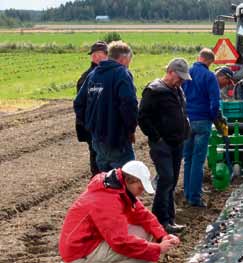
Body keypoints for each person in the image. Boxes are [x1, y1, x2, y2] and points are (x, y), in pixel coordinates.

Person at [59, 161, 180, 263]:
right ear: (130, 180)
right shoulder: (107, 199)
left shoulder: (118, 187)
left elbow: (143, 215)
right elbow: (120, 242)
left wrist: (162, 236)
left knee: (149, 235)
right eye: (140, 188)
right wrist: (157, 249)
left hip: (94, 238)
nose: (141, 192)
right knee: (141, 255)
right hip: (79, 251)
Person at [138, 58, 192, 234]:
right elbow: (143, 118)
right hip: (162, 144)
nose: (181, 81)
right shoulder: (154, 90)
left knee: (172, 180)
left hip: (177, 143)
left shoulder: (177, 90)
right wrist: (157, 137)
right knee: (166, 179)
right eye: (179, 77)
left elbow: (182, 113)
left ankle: (169, 219)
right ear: (170, 72)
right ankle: (159, 220)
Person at [74, 41, 138, 172]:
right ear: (124, 58)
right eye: (129, 60)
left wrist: (90, 125)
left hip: (97, 138)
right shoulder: (122, 74)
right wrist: (130, 129)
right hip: (117, 139)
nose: (129, 64)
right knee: (126, 178)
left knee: (105, 180)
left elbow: (79, 103)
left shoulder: (93, 74)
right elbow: (129, 104)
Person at [182, 48, 221, 207]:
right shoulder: (210, 76)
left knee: (188, 159)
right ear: (210, 62)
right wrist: (212, 118)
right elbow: (215, 102)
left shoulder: (187, 73)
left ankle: (187, 192)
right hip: (202, 120)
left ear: (199, 57)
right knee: (198, 160)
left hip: (186, 120)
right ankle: (195, 197)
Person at [75, 41, 108, 177]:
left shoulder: (102, 74)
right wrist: (89, 124)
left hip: (97, 126)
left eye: (99, 54)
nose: (95, 57)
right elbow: (81, 104)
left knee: (99, 158)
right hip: (94, 127)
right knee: (98, 160)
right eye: (94, 55)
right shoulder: (89, 77)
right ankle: (98, 186)